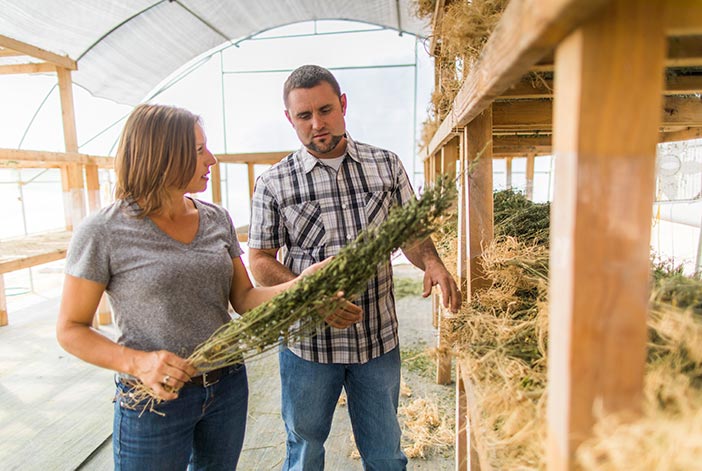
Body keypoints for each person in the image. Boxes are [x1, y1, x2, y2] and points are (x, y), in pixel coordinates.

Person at [56, 103, 361, 471]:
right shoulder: (103, 231)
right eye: (200, 150)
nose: (212, 159)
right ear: (163, 155)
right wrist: (138, 362)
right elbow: (70, 329)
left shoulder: (216, 219)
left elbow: (245, 299)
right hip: (155, 399)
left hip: (226, 387)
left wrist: (302, 286)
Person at [248, 65, 462, 471]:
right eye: (304, 116)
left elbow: (410, 232)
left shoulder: (385, 166)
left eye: (326, 110)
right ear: (289, 119)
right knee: (305, 449)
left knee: (384, 452)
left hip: (376, 340)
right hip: (308, 345)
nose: (317, 123)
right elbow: (260, 260)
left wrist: (432, 261)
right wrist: (310, 297)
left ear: (343, 104)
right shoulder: (274, 183)